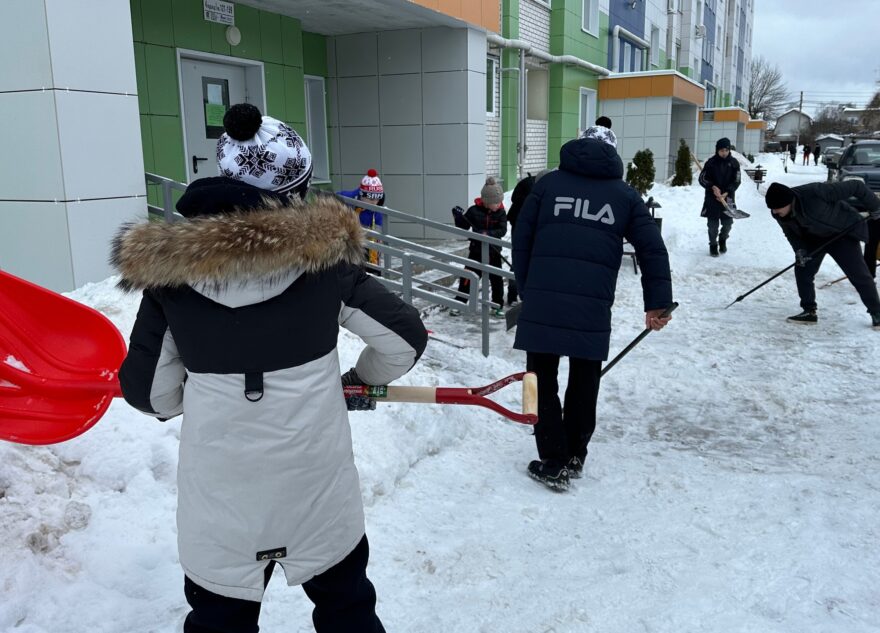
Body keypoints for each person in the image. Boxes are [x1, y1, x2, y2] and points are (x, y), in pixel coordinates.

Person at [113, 103, 427, 633]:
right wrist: (358, 380)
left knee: (220, 621)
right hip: (318, 493)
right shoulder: (327, 267)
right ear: (295, 195)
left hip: (222, 505)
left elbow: (151, 395)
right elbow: (404, 342)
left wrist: (209, 389)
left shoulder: (169, 279)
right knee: (346, 610)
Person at [512, 125, 673, 492]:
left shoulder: (547, 185)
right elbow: (651, 247)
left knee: (541, 379)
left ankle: (552, 458)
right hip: (592, 302)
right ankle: (574, 455)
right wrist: (658, 303)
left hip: (544, 300)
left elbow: (521, 239)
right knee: (585, 379)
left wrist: (528, 287)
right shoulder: (624, 195)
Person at [765, 180, 880, 328]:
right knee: (803, 270)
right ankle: (809, 311)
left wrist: (875, 207)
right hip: (813, 239)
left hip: (842, 234)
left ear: (789, 202)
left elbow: (857, 186)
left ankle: (876, 312)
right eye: (772, 209)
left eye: (777, 208)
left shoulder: (816, 192)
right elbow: (790, 234)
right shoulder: (779, 213)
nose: (774, 212)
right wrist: (800, 251)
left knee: (858, 274)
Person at [450, 177, 508, 317]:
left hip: (493, 251)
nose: (499, 204)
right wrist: (458, 217)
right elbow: (463, 226)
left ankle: (497, 305)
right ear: (487, 202)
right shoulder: (474, 210)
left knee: (497, 280)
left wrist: (488, 234)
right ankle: (460, 302)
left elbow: (502, 230)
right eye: (496, 202)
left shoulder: (500, 212)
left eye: (499, 201)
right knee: (468, 278)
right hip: (476, 250)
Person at [506, 168, 552, 305]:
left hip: (520, 226)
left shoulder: (531, 186)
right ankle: (515, 295)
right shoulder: (535, 193)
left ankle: (514, 295)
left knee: (518, 261)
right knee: (520, 262)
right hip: (523, 229)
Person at [698, 137, 741, 256]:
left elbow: (737, 180)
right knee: (712, 226)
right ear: (717, 150)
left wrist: (727, 192)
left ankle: (722, 239)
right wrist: (712, 187)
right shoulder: (710, 163)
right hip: (712, 199)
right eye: (722, 150)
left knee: (728, 224)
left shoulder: (734, 163)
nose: (724, 153)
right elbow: (702, 178)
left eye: (726, 150)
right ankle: (713, 244)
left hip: (728, 198)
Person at [338, 169, 386, 270]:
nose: (374, 202)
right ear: (362, 194)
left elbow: (378, 236)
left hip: (368, 248)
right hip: (347, 247)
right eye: (371, 198)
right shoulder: (347, 199)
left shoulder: (377, 211)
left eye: (377, 198)